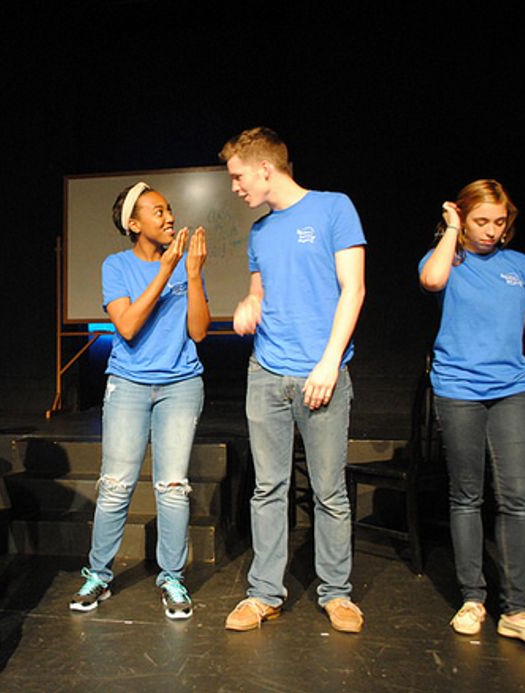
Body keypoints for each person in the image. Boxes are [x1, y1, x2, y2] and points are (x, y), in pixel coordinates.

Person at [221, 127, 367, 634]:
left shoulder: (333, 208)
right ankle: (264, 594)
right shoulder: (260, 232)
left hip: (320, 372)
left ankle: (336, 593)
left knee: (329, 491)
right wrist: (250, 304)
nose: (235, 187)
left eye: (238, 176)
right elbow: (259, 291)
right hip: (266, 374)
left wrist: (329, 363)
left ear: (265, 168)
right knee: (268, 489)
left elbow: (353, 289)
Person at [419, 179, 525, 646]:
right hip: (459, 389)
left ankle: (517, 609)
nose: (491, 231)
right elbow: (431, 281)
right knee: (467, 496)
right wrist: (450, 231)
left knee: (517, 498)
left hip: (512, 392)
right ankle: (472, 598)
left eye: (499, 222)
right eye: (480, 221)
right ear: (463, 218)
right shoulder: (448, 258)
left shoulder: (520, 266)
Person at [69, 181, 209, 620]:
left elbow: (200, 332)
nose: (169, 218)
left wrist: (193, 273)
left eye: (169, 210)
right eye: (157, 212)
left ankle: (172, 577)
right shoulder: (116, 265)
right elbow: (126, 327)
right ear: (134, 224)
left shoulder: (184, 264)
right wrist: (166, 272)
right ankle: (98, 574)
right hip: (128, 384)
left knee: (172, 488)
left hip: (181, 384)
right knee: (115, 486)